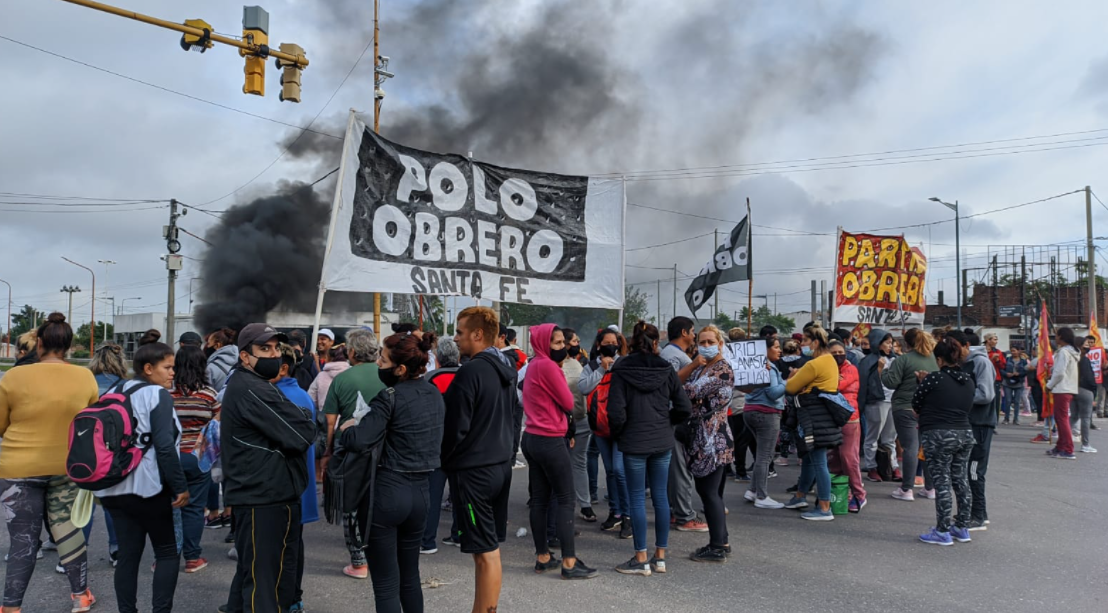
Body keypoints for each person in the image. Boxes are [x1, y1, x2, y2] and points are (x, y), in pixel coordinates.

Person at [338, 332, 444, 612]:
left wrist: (347, 429)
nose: (378, 365)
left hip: (388, 492)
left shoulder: (388, 397)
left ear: (400, 369)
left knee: (385, 583)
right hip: (422, 493)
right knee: (410, 577)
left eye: (382, 360)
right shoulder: (433, 393)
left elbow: (360, 440)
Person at [0, 313, 99, 612]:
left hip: (18, 468)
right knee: (68, 531)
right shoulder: (85, 377)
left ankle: (11, 607)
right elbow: (90, 422)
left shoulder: (14, 376)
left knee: (23, 540)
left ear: (39, 343)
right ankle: (80, 597)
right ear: (69, 346)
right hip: (67, 467)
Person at [221, 323, 317, 613]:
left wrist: (299, 419)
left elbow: (298, 428)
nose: (273, 354)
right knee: (263, 584)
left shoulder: (259, 386)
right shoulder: (251, 389)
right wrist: (301, 417)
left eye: (276, 348)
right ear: (245, 356)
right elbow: (303, 433)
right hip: (261, 498)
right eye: (265, 348)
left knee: (263, 576)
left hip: (271, 494)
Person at [97, 342, 189, 613]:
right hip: (148, 486)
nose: (173, 373)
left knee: (128, 555)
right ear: (148, 368)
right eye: (168, 367)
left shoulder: (114, 391)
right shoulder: (156, 394)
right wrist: (180, 486)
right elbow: (164, 445)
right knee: (167, 552)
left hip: (113, 485)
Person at [443, 307, 518, 613]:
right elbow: (515, 419)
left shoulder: (471, 371)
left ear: (477, 334)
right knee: (488, 549)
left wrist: (444, 461)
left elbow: (455, 428)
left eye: (460, 332)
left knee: (485, 551)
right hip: (499, 466)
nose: (455, 338)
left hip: (475, 473)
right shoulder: (504, 369)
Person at [606, 321, 690, 576]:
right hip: (662, 440)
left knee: (635, 498)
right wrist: (667, 422)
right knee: (661, 498)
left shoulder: (621, 368)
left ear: (631, 341)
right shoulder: (666, 368)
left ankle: (640, 557)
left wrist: (621, 433)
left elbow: (615, 411)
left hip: (634, 441)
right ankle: (660, 557)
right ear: (656, 342)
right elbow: (684, 408)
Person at [520, 323, 597, 579]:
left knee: (540, 499)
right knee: (566, 498)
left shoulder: (533, 365)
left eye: (564, 342)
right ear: (543, 343)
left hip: (532, 437)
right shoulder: (549, 366)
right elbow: (569, 402)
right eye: (556, 343)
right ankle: (569, 562)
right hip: (551, 439)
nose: (563, 347)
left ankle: (543, 556)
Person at [322, 327, 384, 578]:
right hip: (382, 446)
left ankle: (358, 561)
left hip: (348, 447)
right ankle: (380, 555)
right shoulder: (386, 374)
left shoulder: (342, 379)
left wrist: (327, 452)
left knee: (351, 504)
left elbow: (330, 422)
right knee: (377, 500)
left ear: (352, 352)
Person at [913, 336, 976, 546]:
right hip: (965, 433)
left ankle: (942, 530)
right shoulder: (968, 380)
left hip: (938, 434)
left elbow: (916, 402)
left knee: (942, 482)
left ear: (939, 359)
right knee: (961, 480)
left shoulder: (934, 378)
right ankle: (962, 526)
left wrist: (921, 381)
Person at [270, 342, 319, 612]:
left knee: (280, 546)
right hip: (302, 481)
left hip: (282, 482)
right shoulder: (302, 395)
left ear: (284, 366)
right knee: (294, 542)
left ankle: (284, 599)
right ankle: (294, 596)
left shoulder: (276, 396)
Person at [682, 325, 735, 562]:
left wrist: (691, 366)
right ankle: (721, 541)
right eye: (701, 342)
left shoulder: (721, 369)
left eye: (710, 341)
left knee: (709, 492)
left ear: (720, 343)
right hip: (703, 438)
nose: (705, 346)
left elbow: (687, 391)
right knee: (709, 492)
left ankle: (717, 546)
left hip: (714, 440)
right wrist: (694, 364)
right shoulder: (703, 368)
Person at [169, 344, 221, 574]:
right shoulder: (209, 395)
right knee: (194, 508)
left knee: (171, 508)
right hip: (198, 457)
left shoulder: (167, 393)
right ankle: (192, 558)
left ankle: (167, 557)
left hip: (170, 457)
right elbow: (217, 426)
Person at [782, 324, 841, 521]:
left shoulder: (814, 364)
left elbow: (790, 387)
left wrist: (793, 376)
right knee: (809, 457)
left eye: (806, 341)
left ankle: (824, 507)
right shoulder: (830, 360)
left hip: (812, 415)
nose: (803, 346)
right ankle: (800, 495)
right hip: (823, 414)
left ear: (815, 342)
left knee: (818, 460)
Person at [579, 328, 631, 534]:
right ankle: (615, 512)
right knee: (609, 471)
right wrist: (601, 370)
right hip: (600, 426)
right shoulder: (591, 366)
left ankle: (628, 515)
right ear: (599, 345)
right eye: (607, 342)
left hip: (621, 426)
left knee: (619, 471)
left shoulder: (625, 364)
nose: (611, 345)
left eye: (614, 342)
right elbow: (583, 388)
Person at [660, 316, 709, 533]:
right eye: (692, 331)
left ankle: (676, 511)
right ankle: (684, 516)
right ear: (684, 333)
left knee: (678, 468)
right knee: (680, 469)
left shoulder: (677, 354)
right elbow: (670, 382)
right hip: (675, 418)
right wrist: (695, 365)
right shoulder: (671, 354)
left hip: (680, 418)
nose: (695, 336)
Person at [881, 328, 939, 501]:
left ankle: (906, 489)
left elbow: (891, 382)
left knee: (910, 448)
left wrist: (882, 370)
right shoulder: (934, 360)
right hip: (928, 408)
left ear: (906, 343)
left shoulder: (903, 360)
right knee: (926, 448)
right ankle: (930, 487)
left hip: (905, 407)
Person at [949, 330, 995, 531]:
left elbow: (986, 394)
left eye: (955, 347)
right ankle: (972, 512)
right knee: (965, 470)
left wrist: (960, 397)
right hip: (967, 422)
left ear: (965, 345)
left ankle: (979, 514)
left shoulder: (980, 362)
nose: (953, 352)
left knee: (974, 470)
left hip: (981, 423)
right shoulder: (963, 364)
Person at [423, 339, 462, 554]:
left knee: (433, 496)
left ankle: (427, 541)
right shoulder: (467, 375)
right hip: (462, 446)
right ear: (457, 357)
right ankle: (459, 534)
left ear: (437, 359)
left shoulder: (430, 378)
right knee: (461, 495)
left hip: (436, 445)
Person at [742, 336, 787, 509]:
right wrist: (789, 381)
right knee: (764, 456)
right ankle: (762, 496)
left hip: (750, 411)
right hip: (766, 413)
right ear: (765, 349)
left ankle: (752, 490)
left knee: (763, 454)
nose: (779, 350)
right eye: (776, 347)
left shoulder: (753, 364)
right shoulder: (769, 368)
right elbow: (774, 393)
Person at [558, 328, 595, 524]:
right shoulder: (550, 365)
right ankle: (560, 505)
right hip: (559, 423)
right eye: (574, 341)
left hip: (580, 421)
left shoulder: (579, 364)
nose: (577, 344)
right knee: (559, 464)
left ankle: (585, 504)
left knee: (579, 463)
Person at [828, 340, 866, 513]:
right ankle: (842, 492)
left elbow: (834, 385)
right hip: (834, 418)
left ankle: (859, 494)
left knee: (848, 458)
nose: (837, 355)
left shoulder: (850, 369)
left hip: (849, 418)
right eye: (833, 353)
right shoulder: (832, 369)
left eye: (840, 352)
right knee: (835, 459)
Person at [858, 328, 899, 482]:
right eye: (887, 343)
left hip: (893, 400)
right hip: (876, 401)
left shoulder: (896, 359)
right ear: (878, 343)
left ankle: (892, 466)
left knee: (890, 437)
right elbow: (863, 384)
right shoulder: (868, 361)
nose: (890, 346)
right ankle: (871, 466)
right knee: (873, 436)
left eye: (891, 343)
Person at [1046, 328, 1080, 460]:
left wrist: (1049, 385)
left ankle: (1068, 448)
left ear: (1061, 337)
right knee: (1061, 419)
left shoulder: (1063, 352)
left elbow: (1059, 373)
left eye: (1056, 336)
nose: (1055, 338)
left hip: (1062, 388)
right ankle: (1060, 446)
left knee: (1062, 419)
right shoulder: (1072, 352)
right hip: (1068, 388)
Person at [1074, 339, 1098, 453]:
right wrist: (1094, 391)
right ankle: (1085, 444)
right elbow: (1089, 378)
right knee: (1085, 418)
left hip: (1073, 389)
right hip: (1085, 390)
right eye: (1086, 344)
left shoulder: (1073, 358)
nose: (1089, 345)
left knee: (1073, 417)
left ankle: (1064, 439)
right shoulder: (1084, 360)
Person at [309, 345, 350, 411]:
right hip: (348, 419)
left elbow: (311, 400)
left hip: (325, 418)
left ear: (328, 358)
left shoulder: (321, 376)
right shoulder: (352, 374)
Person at [205, 327, 238, 392]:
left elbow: (207, 394)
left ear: (217, 345)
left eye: (208, 343)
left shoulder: (210, 368)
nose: (206, 346)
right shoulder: (243, 362)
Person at [1002, 348, 1028, 425]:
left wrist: (1019, 374)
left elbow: (1026, 371)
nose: (1013, 352)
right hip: (1007, 382)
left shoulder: (1023, 361)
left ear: (1018, 351)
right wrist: (1006, 374)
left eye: (1014, 350)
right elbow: (1002, 369)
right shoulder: (1007, 359)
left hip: (1019, 383)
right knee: (1008, 401)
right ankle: (1006, 418)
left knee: (1017, 401)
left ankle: (1016, 419)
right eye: (1012, 351)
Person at [985, 333, 1007, 424]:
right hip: (985, 378)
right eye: (994, 339)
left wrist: (997, 360)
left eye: (996, 339)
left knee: (996, 401)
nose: (996, 342)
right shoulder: (982, 351)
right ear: (988, 340)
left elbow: (1003, 366)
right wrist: (990, 359)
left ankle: (994, 422)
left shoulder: (998, 352)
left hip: (995, 379)